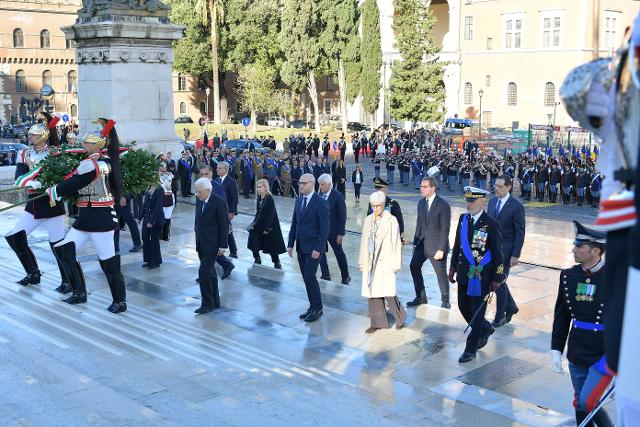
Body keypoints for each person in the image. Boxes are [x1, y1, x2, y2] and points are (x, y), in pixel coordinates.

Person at [48, 119, 127, 313]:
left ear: (93, 144)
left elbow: (75, 182)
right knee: (65, 250)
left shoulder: (93, 164)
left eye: (85, 142)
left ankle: (120, 301)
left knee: (108, 263)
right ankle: (79, 292)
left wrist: (54, 190)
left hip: (101, 218)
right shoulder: (100, 161)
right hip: (86, 216)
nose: (82, 144)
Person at [550, 222, 613, 426]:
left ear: (595, 250)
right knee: (580, 400)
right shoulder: (569, 275)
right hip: (577, 348)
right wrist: (555, 349)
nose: (573, 250)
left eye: (579, 246)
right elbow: (562, 315)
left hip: (605, 352)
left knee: (588, 401)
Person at [5, 113, 70, 293]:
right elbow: (19, 176)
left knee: (57, 244)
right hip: (32, 202)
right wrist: (29, 182)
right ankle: (33, 273)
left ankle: (68, 280)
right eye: (30, 135)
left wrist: (47, 184)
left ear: (42, 136)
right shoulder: (24, 152)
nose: (30, 137)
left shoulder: (53, 153)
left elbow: (60, 176)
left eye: (33, 135)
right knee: (15, 237)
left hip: (50, 203)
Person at [449, 186, 506, 363]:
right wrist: (452, 268)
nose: (469, 204)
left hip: (481, 277)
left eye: (472, 201)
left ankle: (470, 349)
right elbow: (458, 245)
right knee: (462, 306)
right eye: (468, 200)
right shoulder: (463, 219)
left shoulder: (491, 224)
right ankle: (485, 328)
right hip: (464, 273)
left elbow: (498, 253)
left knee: (476, 312)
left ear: (482, 202)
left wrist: (498, 278)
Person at [359, 191, 406, 333]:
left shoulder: (391, 220)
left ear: (383, 205)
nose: (375, 209)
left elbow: (396, 242)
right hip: (371, 261)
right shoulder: (368, 220)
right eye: (373, 206)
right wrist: (362, 261)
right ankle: (377, 322)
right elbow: (364, 242)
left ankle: (400, 318)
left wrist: (396, 263)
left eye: (378, 206)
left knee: (389, 292)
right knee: (373, 293)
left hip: (386, 260)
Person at [287, 173, 329, 323]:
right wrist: (291, 243)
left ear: (312, 184)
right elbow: (295, 223)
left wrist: (318, 248)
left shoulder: (320, 202)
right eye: (299, 183)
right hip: (301, 247)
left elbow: (324, 229)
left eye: (303, 183)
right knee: (306, 278)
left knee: (310, 277)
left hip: (314, 248)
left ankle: (318, 308)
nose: (300, 186)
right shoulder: (299, 201)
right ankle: (312, 306)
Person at [409, 176, 452, 308]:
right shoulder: (421, 203)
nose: (421, 189)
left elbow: (445, 229)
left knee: (440, 274)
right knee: (414, 266)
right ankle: (421, 296)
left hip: (437, 246)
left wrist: (441, 249)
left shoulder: (443, 205)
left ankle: (445, 300)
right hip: (422, 245)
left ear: (433, 188)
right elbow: (419, 224)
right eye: (421, 186)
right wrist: (415, 243)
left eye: (424, 187)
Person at [487, 175, 525, 327]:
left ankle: (500, 315)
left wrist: (516, 254)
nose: (496, 189)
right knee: (497, 282)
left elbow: (520, 232)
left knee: (498, 282)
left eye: (500, 186)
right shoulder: (492, 202)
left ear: (509, 187)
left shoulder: (516, 206)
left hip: (506, 251)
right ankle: (511, 307)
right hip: (490, 250)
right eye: (495, 186)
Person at [193, 178, 228, 314]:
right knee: (210, 272)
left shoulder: (218, 202)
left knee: (203, 272)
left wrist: (223, 245)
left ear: (208, 191)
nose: (197, 194)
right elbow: (198, 219)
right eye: (196, 192)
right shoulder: (199, 199)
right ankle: (215, 301)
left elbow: (224, 225)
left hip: (213, 244)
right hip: (201, 242)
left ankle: (207, 304)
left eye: (199, 192)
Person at [197, 166, 234, 280]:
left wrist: (227, 225)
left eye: (206, 174)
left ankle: (210, 271)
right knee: (205, 252)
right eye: (202, 174)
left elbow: (222, 208)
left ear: (212, 174)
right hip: (202, 228)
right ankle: (207, 272)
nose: (204, 176)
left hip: (214, 228)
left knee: (212, 252)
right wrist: (196, 224)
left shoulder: (216, 187)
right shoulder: (199, 186)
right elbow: (199, 209)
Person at [317, 174, 350, 285]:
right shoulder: (319, 194)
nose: (320, 186)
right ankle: (325, 274)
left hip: (334, 232)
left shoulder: (337, 196)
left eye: (323, 184)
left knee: (339, 253)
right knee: (321, 253)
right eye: (319, 184)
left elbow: (342, 216)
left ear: (330, 184)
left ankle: (345, 276)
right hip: (321, 231)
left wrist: (341, 233)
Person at [247, 179, 286, 269]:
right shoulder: (260, 198)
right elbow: (258, 212)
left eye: (260, 187)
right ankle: (257, 258)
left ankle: (276, 262)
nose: (258, 189)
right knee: (253, 239)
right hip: (259, 223)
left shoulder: (269, 198)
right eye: (257, 187)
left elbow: (271, 215)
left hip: (270, 225)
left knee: (272, 245)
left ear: (265, 188)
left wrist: (267, 228)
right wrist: (254, 223)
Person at [368, 177, 405, 243]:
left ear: (386, 189)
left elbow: (399, 224)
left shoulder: (393, 204)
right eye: (376, 188)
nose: (377, 191)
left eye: (379, 189)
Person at [139, 176, 165, 269]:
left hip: (156, 219)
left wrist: (152, 221)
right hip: (147, 218)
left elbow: (158, 207)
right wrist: (140, 217)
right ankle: (148, 259)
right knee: (145, 238)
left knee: (154, 240)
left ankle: (155, 261)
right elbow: (145, 204)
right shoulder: (148, 188)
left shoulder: (160, 189)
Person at [216, 162, 239, 258]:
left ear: (225, 170)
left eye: (219, 168)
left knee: (228, 230)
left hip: (227, 211)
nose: (217, 169)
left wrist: (232, 212)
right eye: (217, 168)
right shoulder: (216, 180)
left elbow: (235, 198)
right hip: (217, 210)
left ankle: (233, 251)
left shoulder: (231, 181)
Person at [160, 167, 175, 241]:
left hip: (169, 198)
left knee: (168, 217)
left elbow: (172, 179)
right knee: (160, 217)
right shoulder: (156, 176)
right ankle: (160, 234)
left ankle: (165, 236)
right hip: (161, 198)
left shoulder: (169, 174)